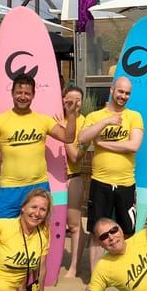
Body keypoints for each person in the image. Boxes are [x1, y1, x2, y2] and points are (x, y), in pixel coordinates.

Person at [0, 74, 77, 218]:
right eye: (19, 93)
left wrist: (70, 115)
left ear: (33, 95)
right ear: (12, 94)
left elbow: (68, 137)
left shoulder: (43, 120)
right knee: (3, 234)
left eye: (27, 93)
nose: (23, 96)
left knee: (38, 235)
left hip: (39, 187)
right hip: (10, 188)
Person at [79, 76, 144, 270]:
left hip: (126, 183)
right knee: (98, 232)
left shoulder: (134, 116)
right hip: (100, 182)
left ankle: (126, 272)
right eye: (120, 91)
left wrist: (103, 143)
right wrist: (107, 121)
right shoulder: (95, 116)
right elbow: (83, 138)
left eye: (127, 93)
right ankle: (96, 277)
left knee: (128, 231)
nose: (123, 96)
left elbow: (134, 145)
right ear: (112, 90)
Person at [62, 86, 87, 278]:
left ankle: (74, 266)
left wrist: (65, 135)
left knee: (74, 224)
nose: (73, 104)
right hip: (52, 178)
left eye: (78, 100)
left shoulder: (85, 122)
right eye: (69, 100)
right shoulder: (53, 118)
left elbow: (75, 156)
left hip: (73, 177)